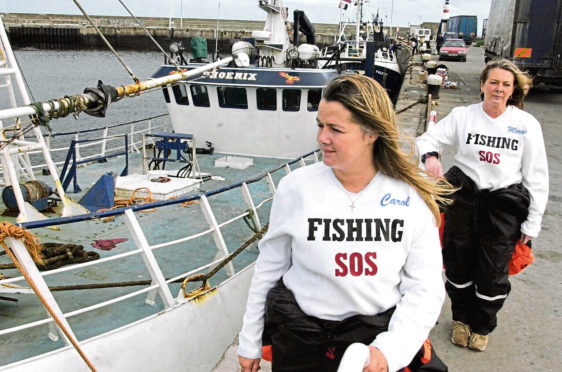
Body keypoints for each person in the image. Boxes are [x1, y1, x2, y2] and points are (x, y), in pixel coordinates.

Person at [238, 74, 454, 372]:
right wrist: (249, 340)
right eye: (320, 126)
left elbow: (425, 287)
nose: (322, 138)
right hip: (300, 343)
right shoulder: (295, 188)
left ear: (371, 133)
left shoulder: (410, 198)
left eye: (335, 129)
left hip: (373, 343)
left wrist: (389, 351)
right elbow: (269, 267)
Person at [415, 59, 549, 352]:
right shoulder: (464, 116)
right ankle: (461, 319)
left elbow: (537, 177)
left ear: (512, 90)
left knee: (492, 271)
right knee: (458, 263)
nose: (498, 89)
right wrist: (432, 157)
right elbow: (427, 138)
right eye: (493, 82)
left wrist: (532, 223)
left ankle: (481, 325)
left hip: (502, 206)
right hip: (464, 199)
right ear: (482, 85)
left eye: (505, 84)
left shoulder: (526, 125)